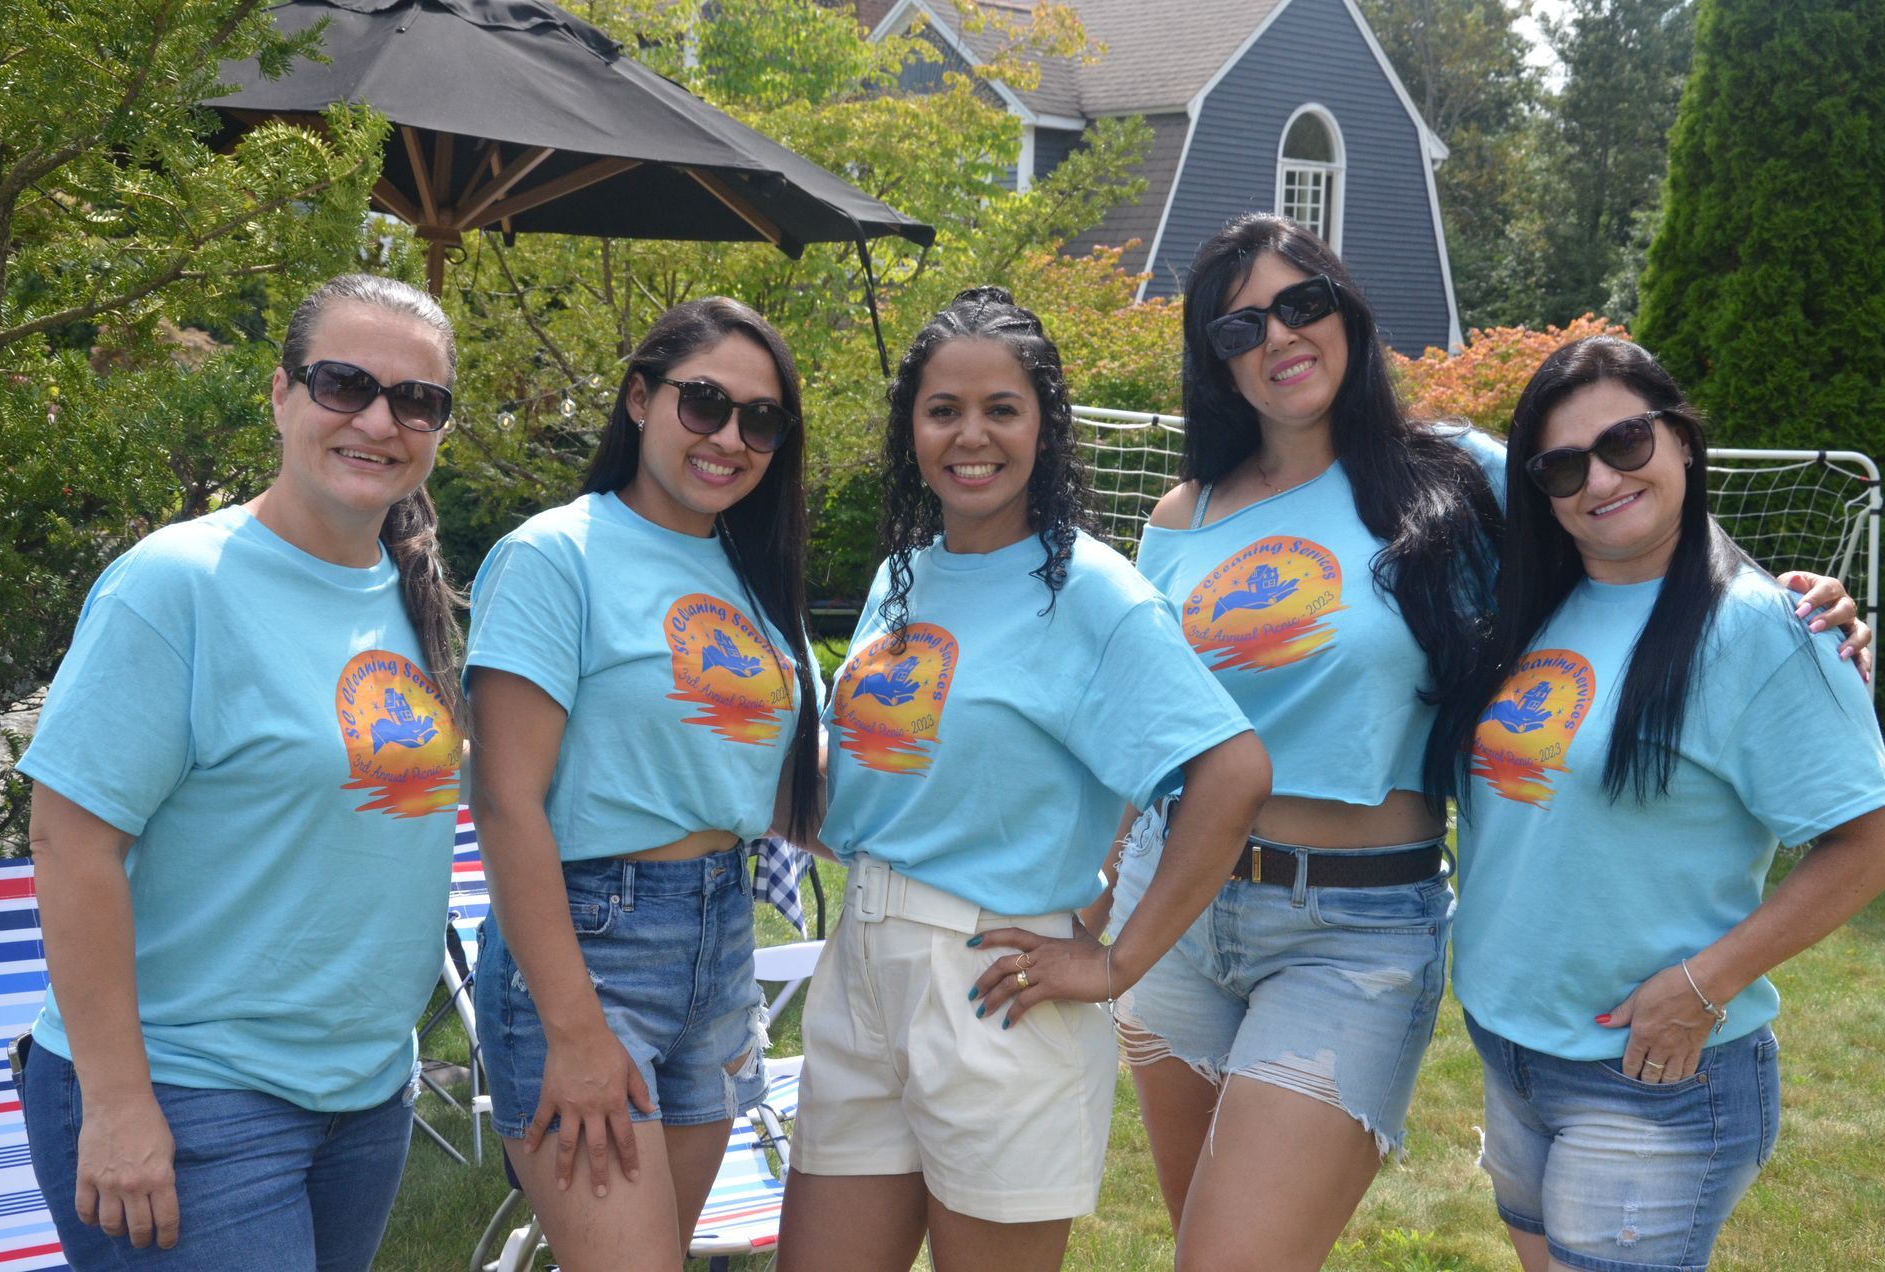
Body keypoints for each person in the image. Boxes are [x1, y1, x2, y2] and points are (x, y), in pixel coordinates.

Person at [1090, 214, 1869, 1272]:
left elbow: (1630, 516)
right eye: (1237, 329)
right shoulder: (1184, 515)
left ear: (1346, 312)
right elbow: (1158, 713)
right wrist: (1110, 873)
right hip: (1173, 903)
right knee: (1203, 1247)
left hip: (1348, 927)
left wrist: (1799, 601)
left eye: (1301, 303)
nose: (1277, 337)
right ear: (1214, 366)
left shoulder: (1452, 469)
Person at [776, 287, 1271, 1272]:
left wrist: (1119, 961)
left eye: (1001, 408)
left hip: (994, 983)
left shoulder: (1095, 593)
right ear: (910, 427)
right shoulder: (902, 577)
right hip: (861, 968)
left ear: (1045, 426)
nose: (972, 435)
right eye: (943, 409)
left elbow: (1232, 771)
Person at [15, 273, 466, 1266]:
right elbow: (69, 841)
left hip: (363, 1097)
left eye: (416, 399)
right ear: (280, 394)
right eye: (345, 383)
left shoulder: (412, 596)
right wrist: (119, 1101)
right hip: (189, 1089)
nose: (379, 419)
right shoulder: (175, 585)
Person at [1425, 336, 1885, 1272]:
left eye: (1626, 443)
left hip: (1653, 1072)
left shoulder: (1762, 627)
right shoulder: (1537, 601)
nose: (1598, 479)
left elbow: (1866, 839)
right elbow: (1408, 435)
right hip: (1511, 1046)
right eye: (1561, 466)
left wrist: (1699, 987)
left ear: (1681, 440)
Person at [464, 298, 821, 1272]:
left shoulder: (751, 575)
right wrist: (576, 1031)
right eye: (704, 403)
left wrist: (976, 858)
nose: (731, 438)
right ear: (637, 398)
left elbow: (778, 787)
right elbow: (504, 802)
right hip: (592, 951)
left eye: (761, 420)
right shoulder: (553, 556)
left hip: (720, 945)